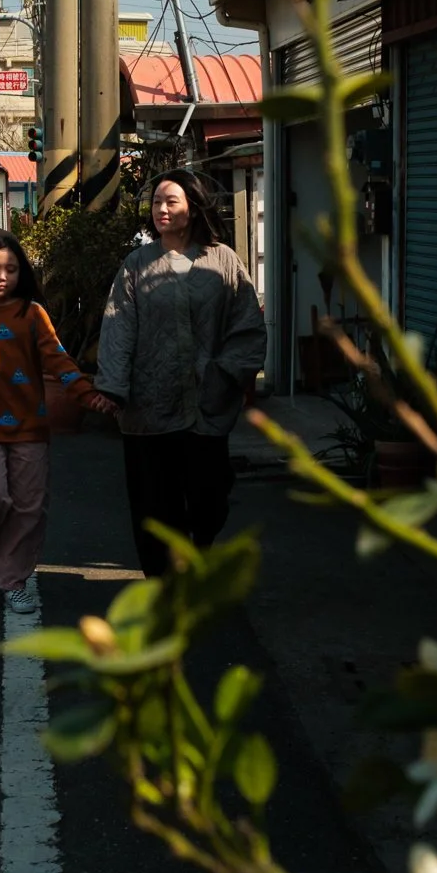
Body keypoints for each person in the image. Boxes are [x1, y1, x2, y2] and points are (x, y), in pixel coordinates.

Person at [0, 231, 113, 618]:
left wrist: (86, 395)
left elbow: (58, 361)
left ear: (19, 274)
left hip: (30, 424)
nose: (1, 276)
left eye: (10, 269)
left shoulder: (32, 314)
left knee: (30, 506)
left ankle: (13, 581)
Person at [96, 170, 269, 578]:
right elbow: (118, 327)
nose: (161, 209)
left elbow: (246, 324)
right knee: (155, 502)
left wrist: (229, 373)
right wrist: (113, 388)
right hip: (148, 405)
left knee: (210, 496)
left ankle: (200, 550)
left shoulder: (223, 260)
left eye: (171, 201)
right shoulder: (137, 264)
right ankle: (163, 584)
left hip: (205, 404)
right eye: (157, 202)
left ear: (192, 207)